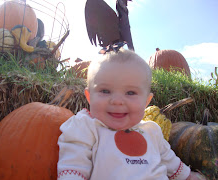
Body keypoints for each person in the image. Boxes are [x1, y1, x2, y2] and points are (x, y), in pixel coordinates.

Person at [57, 49, 205, 180]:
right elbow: (73, 164)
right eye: (105, 91)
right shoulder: (85, 126)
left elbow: (170, 161)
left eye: (130, 93)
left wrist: (188, 176)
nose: (117, 101)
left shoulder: (151, 131)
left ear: (146, 102)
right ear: (89, 97)